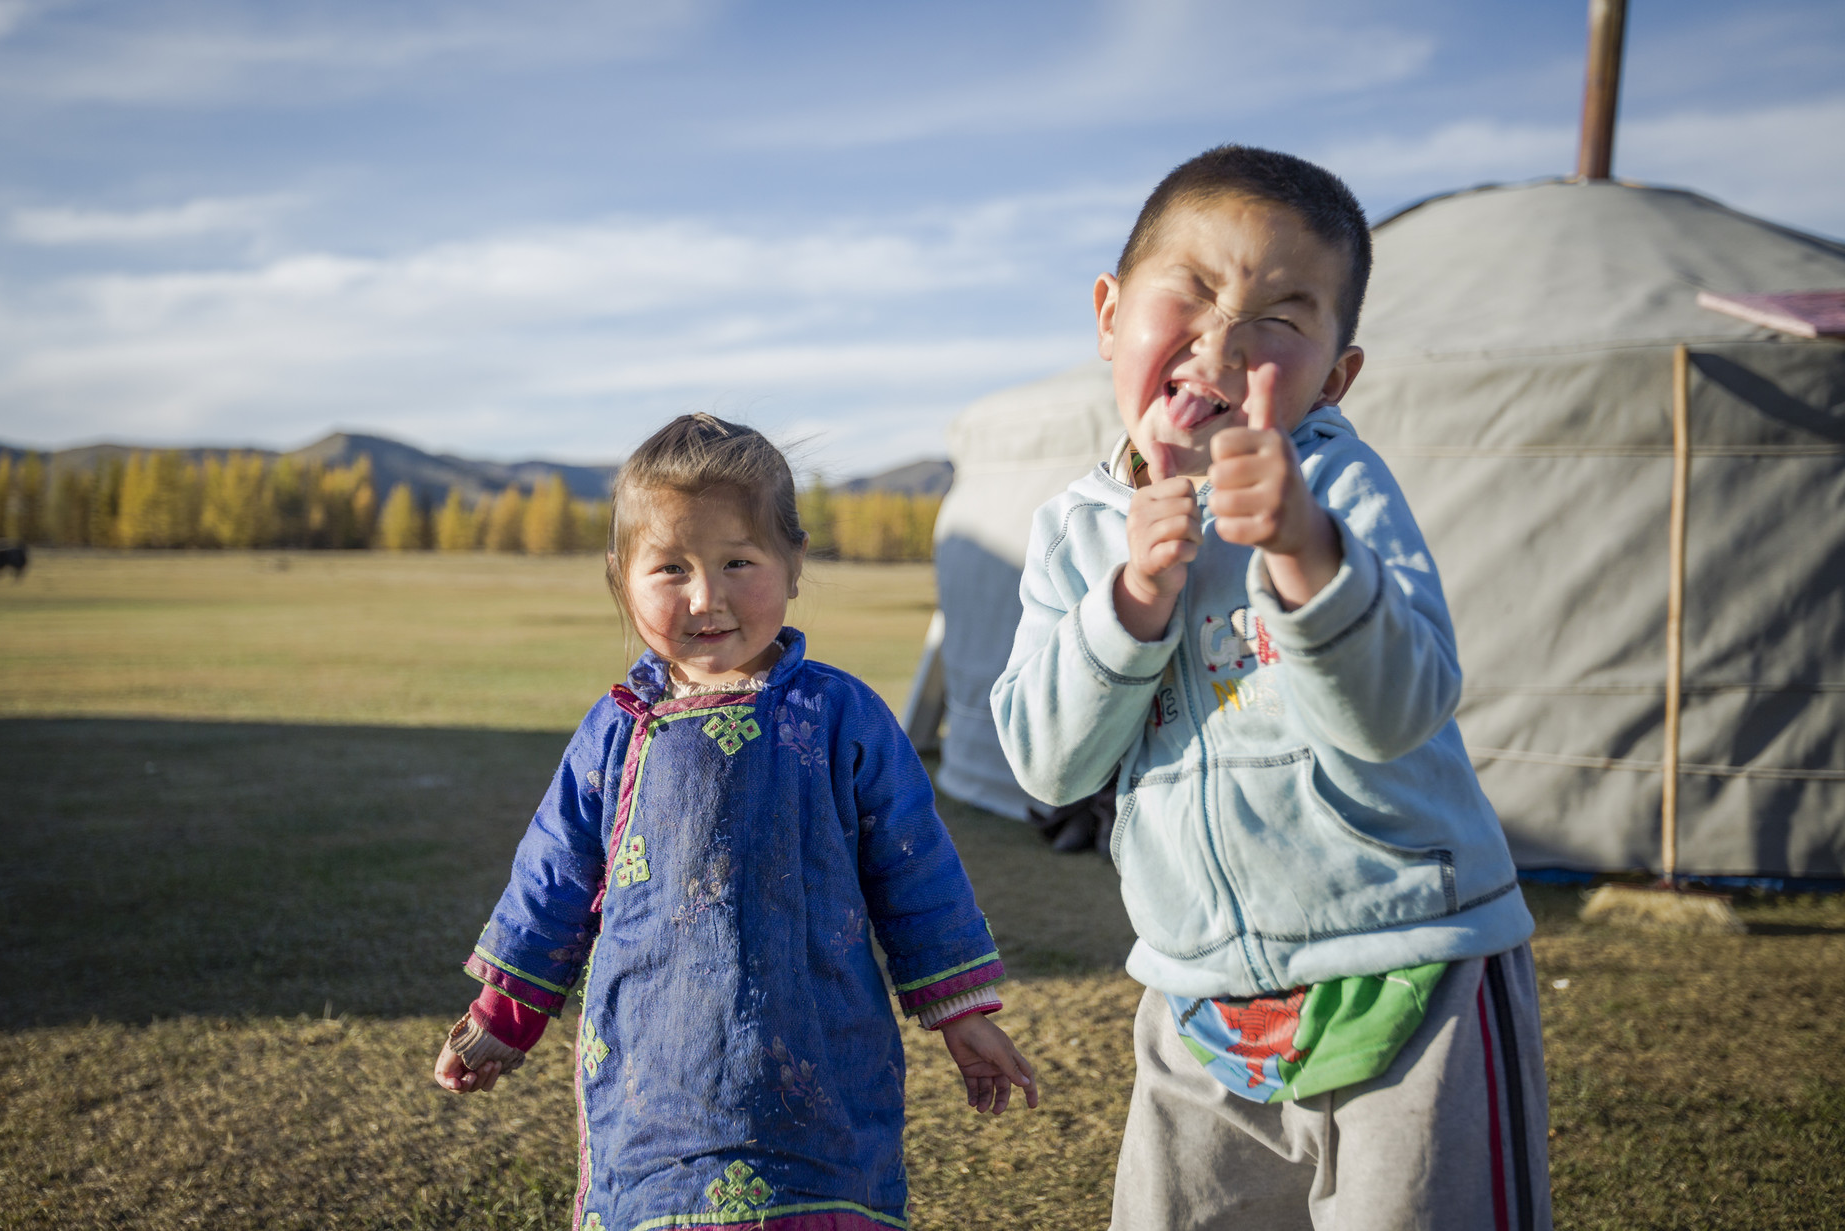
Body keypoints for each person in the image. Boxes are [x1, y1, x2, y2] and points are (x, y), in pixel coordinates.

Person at [991, 146, 1551, 1230]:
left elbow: (1398, 710)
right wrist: (1130, 600)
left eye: (1282, 318)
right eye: (1193, 291)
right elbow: (1048, 764)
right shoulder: (1072, 533)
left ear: (1335, 377)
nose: (1224, 342)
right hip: (1196, 989)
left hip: (1412, 959)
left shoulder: (1336, 484)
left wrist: (1302, 549)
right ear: (1109, 315)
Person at [434, 413, 1038, 1231]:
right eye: (670, 568)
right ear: (621, 578)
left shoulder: (843, 717)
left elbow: (915, 869)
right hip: (656, 1084)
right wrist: (501, 1017)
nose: (706, 597)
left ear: (794, 561)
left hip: (822, 1067)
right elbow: (553, 880)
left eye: (738, 562)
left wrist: (962, 1015)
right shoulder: (616, 732)